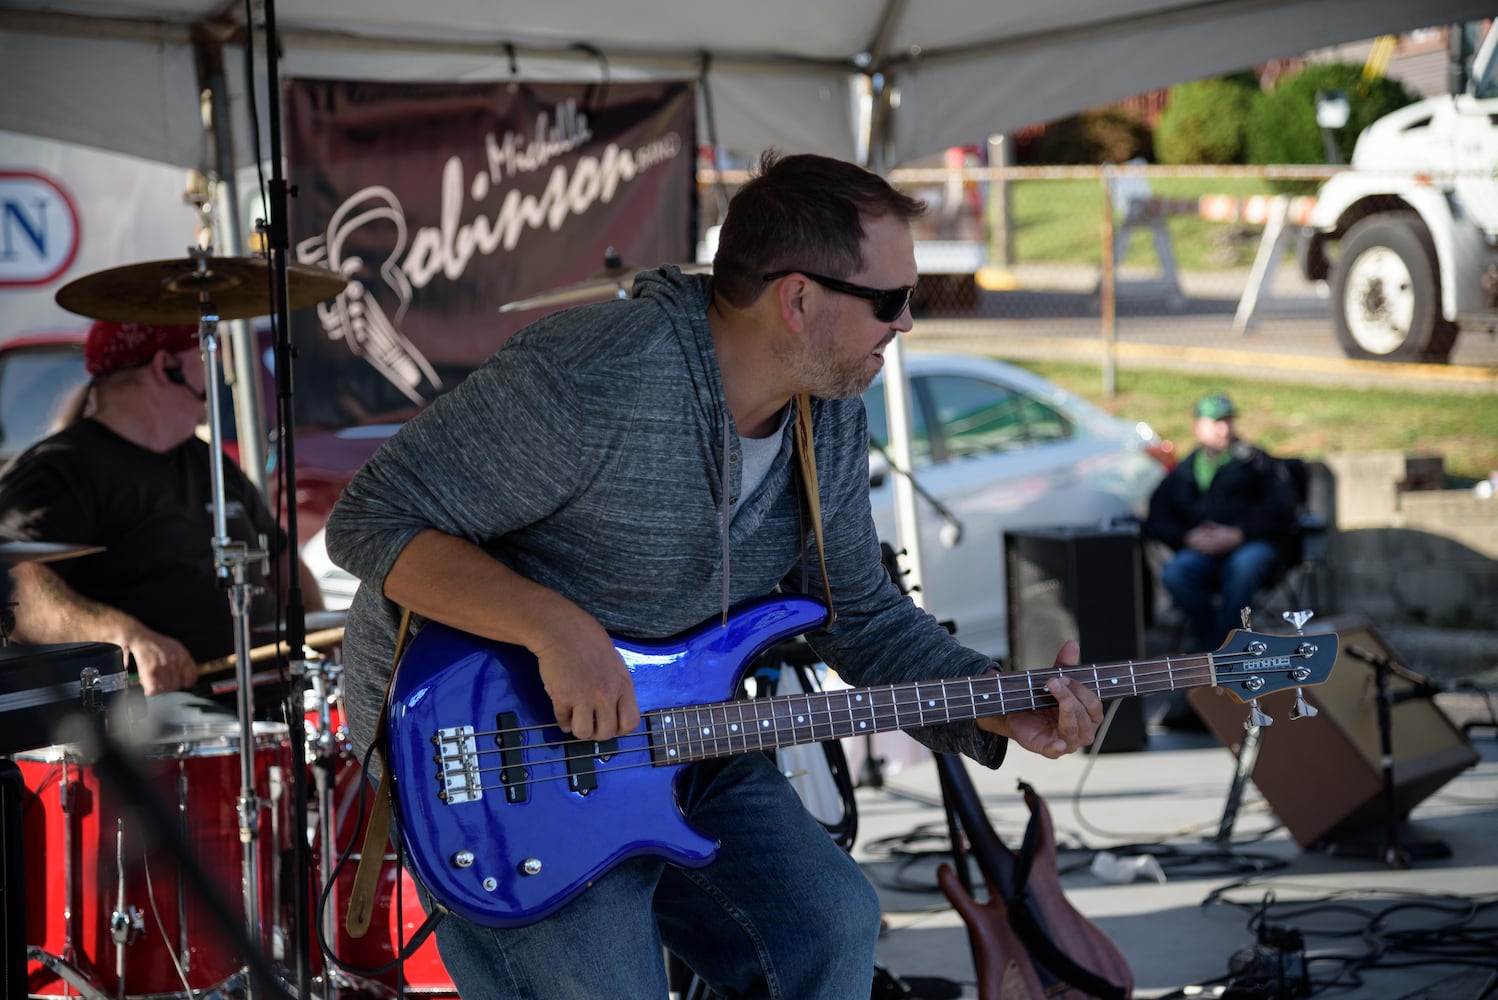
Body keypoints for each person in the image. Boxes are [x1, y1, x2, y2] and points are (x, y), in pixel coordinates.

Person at [323, 150, 1104, 999]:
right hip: (490, 750)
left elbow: (860, 614)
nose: (907, 323)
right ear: (797, 300)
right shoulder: (595, 379)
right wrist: (553, 627)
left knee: (827, 925)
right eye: (890, 301)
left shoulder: (828, 411)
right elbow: (371, 521)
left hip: (682, 730)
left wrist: (994, 702)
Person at [0, 319, 321, 696]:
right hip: (160, 720)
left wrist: (316, 636)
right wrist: (125, 636)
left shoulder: (209, 461)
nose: (212, 368)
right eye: (202, 355)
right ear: (166, 365)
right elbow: (13, 587)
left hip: (273, 700)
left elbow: (284, 566)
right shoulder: (57, 471)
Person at [1145, 391, 1298, 651]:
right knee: (1176, 573)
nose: (1224, 428)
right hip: (1201, 553)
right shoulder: (1184, 470)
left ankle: (1225, 648)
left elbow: (1283, 510)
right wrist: (1186, 537)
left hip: (1250, 546)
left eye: (1228, 420)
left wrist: (1239, 534)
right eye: (1216, 421)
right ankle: (1213, 640)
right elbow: (1156, 519)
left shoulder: (1256, 461)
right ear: (1197, 427)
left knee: (1245, 567)